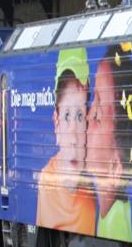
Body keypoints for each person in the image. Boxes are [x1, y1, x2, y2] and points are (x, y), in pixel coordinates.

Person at [36, 48, 95, 235]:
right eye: (67, 116)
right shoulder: (46, 185)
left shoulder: (96, 190)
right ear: (56, 124)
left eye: (79, 116)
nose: (74, 136)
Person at [87, 44, 132, 243]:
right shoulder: (105, 218)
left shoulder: (115, 228)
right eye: (93, 101)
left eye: (98, 113)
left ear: (116, 166)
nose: (87, 115)